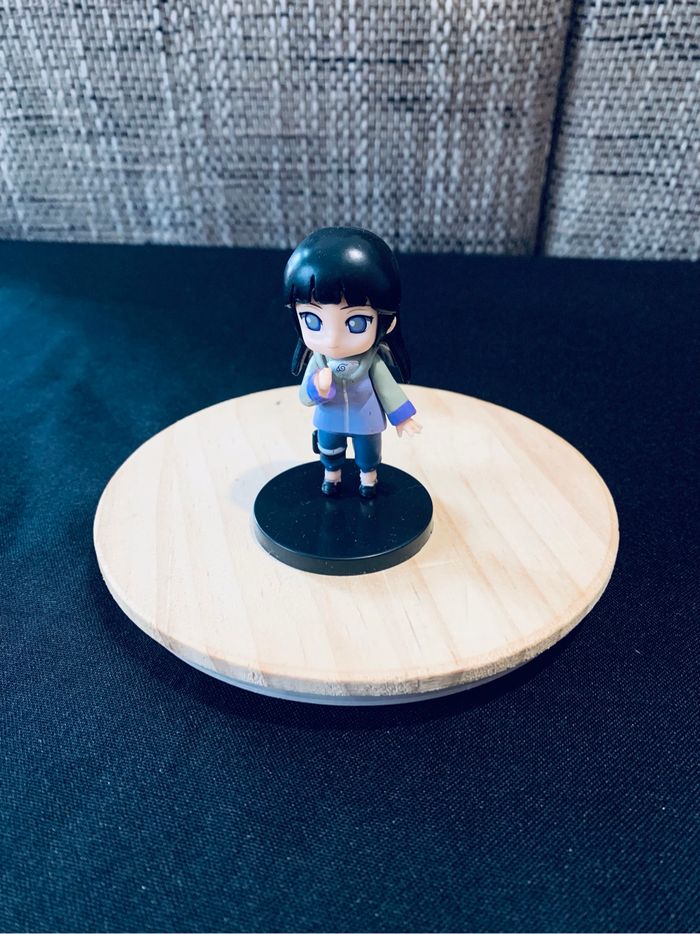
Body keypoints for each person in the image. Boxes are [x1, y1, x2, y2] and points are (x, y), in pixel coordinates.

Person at [284, 227, 421, 498]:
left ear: (387, 321)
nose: (333, 339)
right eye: (312, 320)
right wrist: (317, 388)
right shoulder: (319, 361)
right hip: (329, 416)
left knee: (368, 452)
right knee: (329, 447)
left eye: (356, 322)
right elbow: (304, 397)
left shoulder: (372, 363)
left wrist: (402, 417)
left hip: (365, 417)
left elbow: (388, 389)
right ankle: (331, 475)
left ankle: (368, 479)